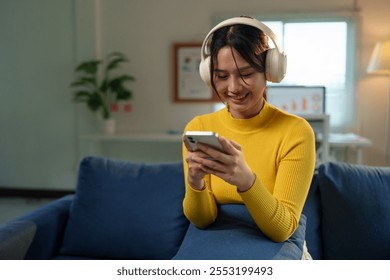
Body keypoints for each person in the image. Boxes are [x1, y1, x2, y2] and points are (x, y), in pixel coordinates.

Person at [182, 16, 316, 243]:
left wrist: (246, 181)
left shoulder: (296, 132)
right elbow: (202, 220)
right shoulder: (199, 127)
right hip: (216, 245)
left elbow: (282, 230)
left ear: (270, 71)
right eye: (222, 76)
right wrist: (196, 183)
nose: (233, 88)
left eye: (245, 74)